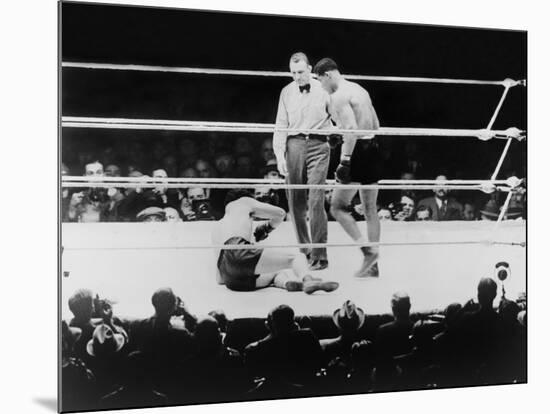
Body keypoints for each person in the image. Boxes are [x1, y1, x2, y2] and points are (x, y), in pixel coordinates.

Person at [313, 57, 382, 277]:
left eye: (320, 80)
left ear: (328, 75)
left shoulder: (338, 96)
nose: (321, 86)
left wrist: (345, 160)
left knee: (337, 207)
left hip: (357, 151)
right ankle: (373, 265)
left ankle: (367, 252)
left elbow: (351, 128)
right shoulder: (359, 89)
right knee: (370, 209)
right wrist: (340, 133)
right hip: (373, 147)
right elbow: (376, 124)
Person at [212, 189, 339, 294]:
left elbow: (219, 279)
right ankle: (308, 279)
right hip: (238, 250)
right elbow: (280, 213)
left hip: (230, 278)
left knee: (275, 272)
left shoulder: (217, 227)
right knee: (296, 257)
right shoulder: (243, 201)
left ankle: (287, 284)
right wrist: (267, 227)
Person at [273, 52, 333, 270]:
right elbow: (280, 124)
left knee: (316, 200)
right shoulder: (287, 92)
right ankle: (305, 250)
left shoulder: (324, 89)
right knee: (295, 199)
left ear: (309, 69)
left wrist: (335, 133)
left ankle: (320, 254)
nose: (297, 77)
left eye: (300, 72)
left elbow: (338, 116)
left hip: (319, 144)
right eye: (293, 73)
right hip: (294, 144)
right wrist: (279, 155)